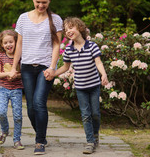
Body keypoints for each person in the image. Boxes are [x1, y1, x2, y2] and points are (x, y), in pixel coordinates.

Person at [10, 0, 63, 155]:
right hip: (26, 68)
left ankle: (39, 141)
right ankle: (42, 134)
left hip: (45, 68)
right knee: (31, 108)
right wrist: (13, 67)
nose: (41, 5)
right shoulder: (23, 18)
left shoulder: (55, 19)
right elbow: (19, 44)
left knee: (39, 102)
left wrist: (52, 68)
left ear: (49, 1)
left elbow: (57, 45)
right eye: (38, 2)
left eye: (44, 3)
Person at [45, 17, 108, 154]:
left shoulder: (92, 46)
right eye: (66, 30)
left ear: (80, 28)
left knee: (95, 113)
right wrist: (53, 73)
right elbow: (66, 67)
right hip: (80, 88)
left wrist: (103, 74)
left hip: (94, 86)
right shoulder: (69, 50)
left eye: (71, 28)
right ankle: (90, 142)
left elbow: (98, 63)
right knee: (85, 115)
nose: (68, 31)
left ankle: (95, 135)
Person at [0, 29, 24, 150]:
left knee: (17, 116)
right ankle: (4, 130)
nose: (8, 45)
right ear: (2, 45)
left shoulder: (20, 56)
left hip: (16, 88)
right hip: (3, 89)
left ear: (16, 42)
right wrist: (8, 74)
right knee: (1, 112)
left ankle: (17, 139)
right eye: (5, 43)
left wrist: (17, 75)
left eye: (11, 42)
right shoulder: (0, 56)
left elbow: (24, 73)